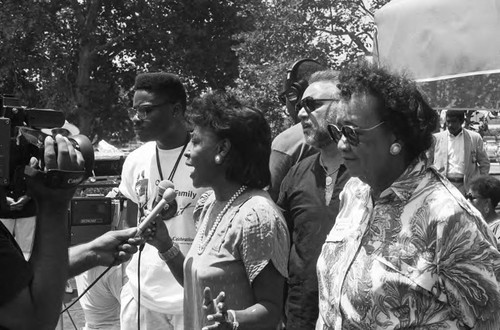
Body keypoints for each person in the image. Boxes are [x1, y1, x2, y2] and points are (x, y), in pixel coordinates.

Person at [317, 60, 500, 329]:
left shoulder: (449, 219)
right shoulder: (355, 192)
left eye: (352, 132)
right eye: (337, 131)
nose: (341, 143)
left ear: (396, 138)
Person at [142, 91, 290, 330]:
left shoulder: (257, 216)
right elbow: (198, 285)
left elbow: (272, 310)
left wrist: (232, 320)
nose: (187, 152)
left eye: (197, 141)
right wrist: (164, 245)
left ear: (222, 149)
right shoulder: (208, 203)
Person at [119, 72, 207, 330]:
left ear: (176, 110)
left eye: (146, 110)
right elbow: (131, 220)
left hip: (191, 296)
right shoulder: (135, 160)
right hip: (142, 298)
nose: (137, 118)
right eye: (134, 110)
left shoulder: (206, 156)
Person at [277, 70, 350, 330]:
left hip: (353, 316)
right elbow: (281, 245)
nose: (300, 114)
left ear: (344, 107)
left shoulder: (368, 174)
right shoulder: (297, 173)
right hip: (301, 315)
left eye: (312, 105)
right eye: (299, 106)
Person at [268, 58, 325, 202]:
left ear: (294, 95)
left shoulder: (287, 142)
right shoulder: (349, 130)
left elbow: (270, 199)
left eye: (285, 97)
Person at [433, 109, 490, 194]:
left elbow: (484, 163)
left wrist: (479, 183)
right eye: (448, 121)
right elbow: (427, 163)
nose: (450, 125)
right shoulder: (436, 139)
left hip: (467, 188)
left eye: (454, 121)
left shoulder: (474, 138)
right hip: (442, 187)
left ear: (462, 121)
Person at [466, 174, 500, 242]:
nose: (467, 201)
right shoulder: (471, 226)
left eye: (471, 198)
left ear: (487, 203)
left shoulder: (497, 229)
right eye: (467, 197)